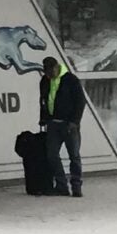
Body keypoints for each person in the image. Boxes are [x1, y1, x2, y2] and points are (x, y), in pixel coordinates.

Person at [39, 54, 86, 196]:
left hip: (69, 124)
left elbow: (80, 101)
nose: (49, 75)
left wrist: (74, 121)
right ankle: (61, 185)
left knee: (74, 156)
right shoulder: (45, 81)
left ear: (56, 67)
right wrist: (43, 118)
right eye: (46, 73)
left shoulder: (71, 80)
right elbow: (43, 100)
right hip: (53, 123)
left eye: (50, 72)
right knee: (52, 155)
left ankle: (76, 185)